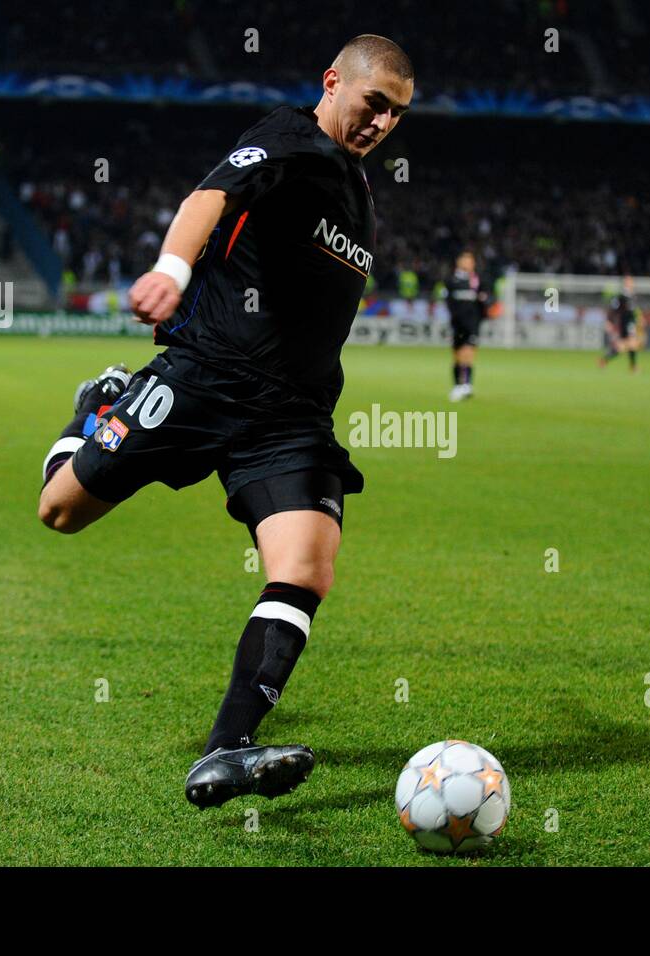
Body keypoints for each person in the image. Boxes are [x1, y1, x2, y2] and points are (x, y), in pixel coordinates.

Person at [36, 35, 414, 803]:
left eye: (397, 115)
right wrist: (172, 272)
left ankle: (226, 749)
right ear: (333, 81)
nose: (381, 123)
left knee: (307, 566)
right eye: (373, 103)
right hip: (205, 377)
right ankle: (92, 413)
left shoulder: (361, 192)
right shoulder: (290, 136)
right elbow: (209, 198)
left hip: (292, 416)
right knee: (60, 512)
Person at [446, 250, 485, 401]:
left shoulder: (477, 280)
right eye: (464, 260)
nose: (467, 262)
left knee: (468, 354)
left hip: (472, 324)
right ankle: (457, 385)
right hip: (457, 324)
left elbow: (486, 298)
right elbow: (448, 302)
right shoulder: (451, 281)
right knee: (457, 356)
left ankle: (467, 385)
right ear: (459, 262)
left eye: (469, 260)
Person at [599, 292, 641, 371]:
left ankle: (604, 360)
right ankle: (633, 367)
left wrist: (638, 319)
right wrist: (609, 321)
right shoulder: (621, 297)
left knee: (624, 346)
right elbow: (614, 309)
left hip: (630, 323)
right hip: (625, 324)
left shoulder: (633, 296)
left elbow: (634, 312)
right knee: (631, 343)